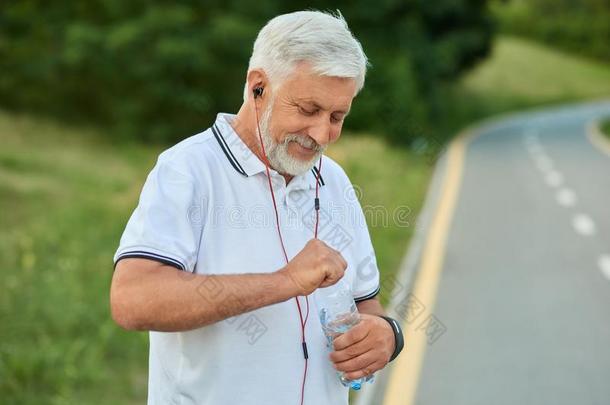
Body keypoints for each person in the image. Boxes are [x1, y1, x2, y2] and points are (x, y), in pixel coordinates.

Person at [110, 10, 403, 405]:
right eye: (308, 109)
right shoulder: (188, 170)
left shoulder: (334, 181)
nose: (322, 134)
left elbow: (366, 301)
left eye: (337, 117)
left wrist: (387, 334)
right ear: (258, 87)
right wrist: (284, 282)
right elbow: (132, 299)